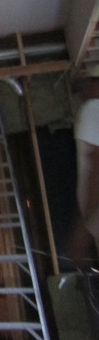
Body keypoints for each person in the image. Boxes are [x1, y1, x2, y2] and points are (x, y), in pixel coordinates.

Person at [75, 64, 99, 253]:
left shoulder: (93, 109)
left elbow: (96, 163)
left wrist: (82, 229)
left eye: (89, 82)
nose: (85, 89)